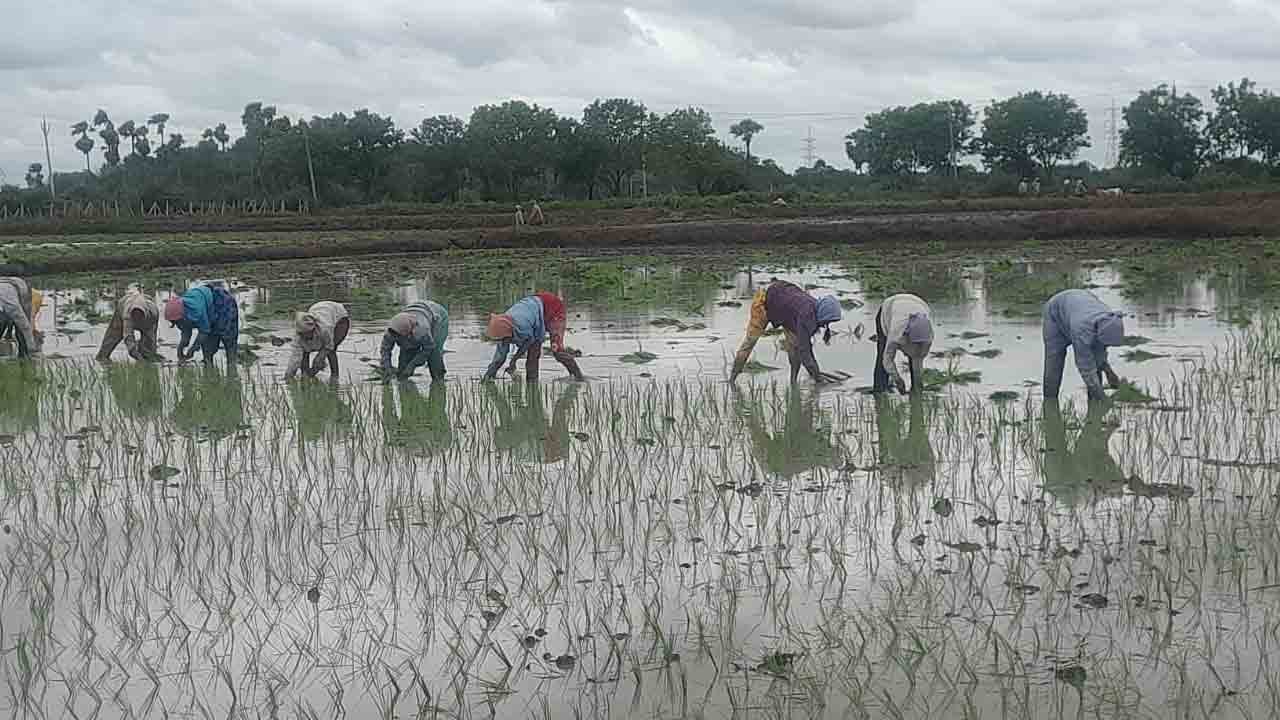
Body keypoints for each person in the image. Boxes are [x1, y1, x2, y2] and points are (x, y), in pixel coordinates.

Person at [730, 280, 842, 384]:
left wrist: (815, 373)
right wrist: (817, 377)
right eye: (828, 320)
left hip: (786, 313)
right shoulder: (806, 317)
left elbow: (804, 348)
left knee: (794, 347)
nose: (826, 324)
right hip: (765, 303)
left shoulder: (814, 311)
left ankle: (793, 381)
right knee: (749, 343)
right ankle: (732, 380)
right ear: (823, 314)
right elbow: (805, 352)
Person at [1042, 289, 1125, 401]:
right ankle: (1049, 402)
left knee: (1096, 366)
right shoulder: (1081, 329)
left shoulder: (1109, 318)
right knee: (1054, 360)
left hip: (1079, 305)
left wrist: (1108, 371)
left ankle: (1094, 406)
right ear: (1097, 331)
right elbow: (1086, 368)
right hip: (1056, 314)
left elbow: (1099, 350)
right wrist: (1104, 399)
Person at [485, 292, 585, 382]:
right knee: (531, 357)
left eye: (504, 340)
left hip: (552, 307)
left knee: (555, 350)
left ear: (509, 332)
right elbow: (499, 358)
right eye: (500, 340)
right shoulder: (502, 330)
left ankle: (578, 377)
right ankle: (532, 385)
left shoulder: (522, 325)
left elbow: (531, 341)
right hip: (534, 308)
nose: (503, 342)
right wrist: (488, 377)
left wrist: (514, 360)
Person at [165, 284, 240, 367]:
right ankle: (209, 370)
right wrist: (181, 348)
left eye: (177, 321)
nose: (177, 324)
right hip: (207, 308)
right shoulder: (179, 318)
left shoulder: (196, 310)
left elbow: (204, 330)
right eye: (175, 322)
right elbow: (186, 332)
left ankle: (232, 368)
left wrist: (193, 349)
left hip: (221, 303)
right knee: (207, 348)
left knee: (228, 339)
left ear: (183, 315)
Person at [873, 293, 934, 394]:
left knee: (915, 357)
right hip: (889, 307)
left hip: (918, 302)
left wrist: (918, 382)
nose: (916, 349)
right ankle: (880, 390)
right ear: (906, 338)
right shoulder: (896, 333)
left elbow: (918, 359)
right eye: (913, 346)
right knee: (882, 355)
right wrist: (897, 379)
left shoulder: (928, 338)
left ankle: (916, 391)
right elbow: (887, 359)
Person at [380, 300, 448, 381]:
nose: (395, 338)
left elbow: (429, 348)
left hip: (437, 316)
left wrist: (413, 364)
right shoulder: (391, 331)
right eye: (394, 336)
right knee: (403, 369)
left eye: (398, 336)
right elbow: (385, 350)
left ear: (408, 333)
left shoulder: (422, 330)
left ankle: (439, 380)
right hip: (415, 312)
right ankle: (404, 386)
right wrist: (387, 368)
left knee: (434, 355)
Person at [284, 300, 350, 381]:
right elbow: (295, 358)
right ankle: (306, 375)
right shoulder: (298, 337)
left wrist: (320, 357)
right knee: (305, 352)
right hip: (319, 308)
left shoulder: (325, 328)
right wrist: (288, 375)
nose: (306, 337)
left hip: (340, 317)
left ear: (313, 329)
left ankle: (334, 377)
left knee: (331, 351)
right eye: (303, 334)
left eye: (308, 333)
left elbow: (329, 346)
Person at [97, 289, 162, 362]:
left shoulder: (152, 313)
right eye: (135, 317)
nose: (136, 320)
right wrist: (133, 351)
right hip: (125, 303)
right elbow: (128, 336)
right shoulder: (127, 316)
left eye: (138, 317)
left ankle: (147, 358)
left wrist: (149, 353)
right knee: (114, 334)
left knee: (148, 347)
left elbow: (151, 336)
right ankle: (102, 357)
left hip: (147, 306)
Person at [0, 277, 38, 358]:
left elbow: (25, 326)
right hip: (5, 284)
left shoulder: (11, 304)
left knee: (20, 330)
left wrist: (32, 347)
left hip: (22, 289)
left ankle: (24, 355)